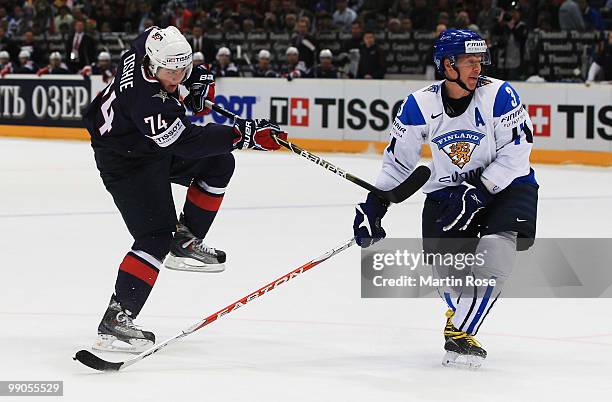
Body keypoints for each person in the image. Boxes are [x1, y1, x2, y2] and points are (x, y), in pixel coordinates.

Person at [83, 26, 288, 353]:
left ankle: (186, 238)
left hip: (144, 146)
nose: (176, 76)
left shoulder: (146, 47)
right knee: (154, 236)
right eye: (170, 71)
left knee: (219, 163)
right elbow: (188, 142)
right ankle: (117, 316)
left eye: (182, 68)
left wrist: (199, 77)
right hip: (126, 161)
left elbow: (159, 41)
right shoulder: (148, 101)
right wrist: (244, 136)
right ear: (152, 66)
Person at [352, 29, 538, 369]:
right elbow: (398, 163)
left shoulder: (500, 94)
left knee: (496, 252)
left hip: (509, 185)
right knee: (448, 278)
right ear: (447, 65)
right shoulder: (419, 104)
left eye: (479, 60)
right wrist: (374, 206)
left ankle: (461, 330)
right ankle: (462, 325)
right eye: (469, 62)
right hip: (449, 192)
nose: (477, 68)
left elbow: (517, 151)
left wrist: (481, 191)